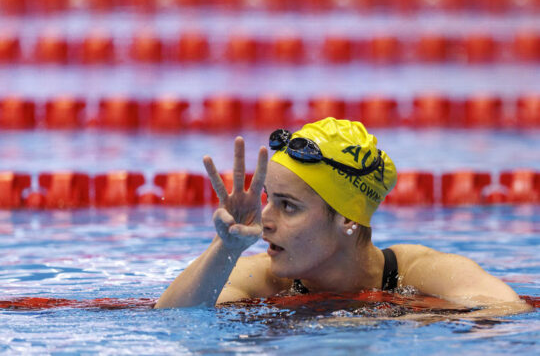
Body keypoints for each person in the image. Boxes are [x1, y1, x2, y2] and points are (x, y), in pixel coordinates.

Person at [154, 117, 530, 316]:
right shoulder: (267, 278)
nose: (264, 221)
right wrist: (226, 247)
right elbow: (174, 317)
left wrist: (399, 319)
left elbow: (506, 311)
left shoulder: (416, 273)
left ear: (348, 219)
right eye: (268, 199)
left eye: (289, 206)